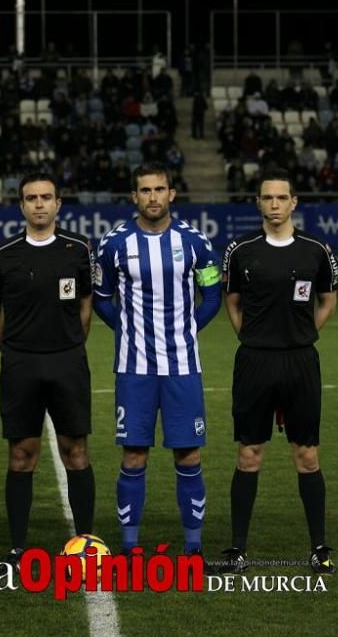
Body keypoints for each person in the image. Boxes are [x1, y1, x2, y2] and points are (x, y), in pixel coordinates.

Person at [93, 162, 223, 557]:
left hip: (183, 367)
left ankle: (193, 548)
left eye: (159, 189)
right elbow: (101, 299)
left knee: (189, 453)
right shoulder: (113, 244)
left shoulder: (197, 242)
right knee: (133, 454)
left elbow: (213, 296)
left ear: (172, 194)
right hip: (134, 370)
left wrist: (184, 330)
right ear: (134, 196)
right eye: (145, 190)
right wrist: (130, 330)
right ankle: (130, 548)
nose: (153, 197)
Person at [219, 168, 338, 575]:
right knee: (249, 454)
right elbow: (231, 302)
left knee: (307, 456)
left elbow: (328, 300)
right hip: (254, 361)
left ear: (293, 202)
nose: (274, 205)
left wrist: (302, 336)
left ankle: (319, 547)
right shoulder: (240, 250)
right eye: (266, 198)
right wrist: (252, 338)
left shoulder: (316, 250)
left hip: (300, 362)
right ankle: (237, 550)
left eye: (280, 198)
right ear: (258, 203)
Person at [0, 173, 96, 570]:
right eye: (31, 198)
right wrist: (13, 349)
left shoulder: (78, 249)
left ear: (59, 203)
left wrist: (69, 344)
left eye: (46, 197)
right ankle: (17, 548)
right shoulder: (3, 254)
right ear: (21, 206)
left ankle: (85, 543)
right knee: (21, 455)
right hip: (21, 364)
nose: (39, 204)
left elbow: (86, 304)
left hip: (68, 361)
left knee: (76, 453)